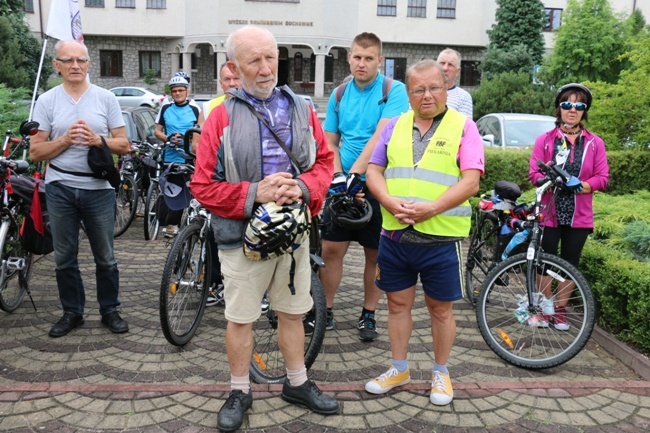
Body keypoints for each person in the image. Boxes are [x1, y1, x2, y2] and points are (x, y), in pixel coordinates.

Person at [190, 25, 339, 432]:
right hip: (242, 239)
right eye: (253, 60)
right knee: (240, 319)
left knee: (293, 313)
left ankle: (297, 383)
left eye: (270, 58)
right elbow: (202, 186)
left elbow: (325, 163)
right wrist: (257, 191)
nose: (264, 68)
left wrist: (304, 186)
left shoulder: (302, 108)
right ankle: (240, 390)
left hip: (292, 234)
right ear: (234, 67)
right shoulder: (220, 115)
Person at [363, 59, 484, 406]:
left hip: (441, 239)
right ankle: (399, 369)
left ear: (446, 89)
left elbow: (471, 181)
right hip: (396, 237)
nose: (427, 95)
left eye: (434, 87)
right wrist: (386, 200)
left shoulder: (464, 127)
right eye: (419, 89)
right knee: (397, 305)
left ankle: (441, 373)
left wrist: (432, 208)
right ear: (409, 93)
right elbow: (374, 170)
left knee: (440, 310)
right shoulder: (395, 125)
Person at [30, 40, 130, 338]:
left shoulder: (105, 98)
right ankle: (72, 312)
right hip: (60, 185)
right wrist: (65, 140)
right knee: (65, 255)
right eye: (68, 60)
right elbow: (35, 152)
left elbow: (124, 144)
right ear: (56, 65)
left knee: (105, 255)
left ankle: (109, 309)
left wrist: (98, 140)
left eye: (81, 60)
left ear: (89, 64)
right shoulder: (47, 101)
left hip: (98, 188)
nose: (75, 66)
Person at [317, 32, 409, 341]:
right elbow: (330, 141)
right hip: (344, 183)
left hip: (378, 183)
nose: (362, 63)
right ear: (349, 58)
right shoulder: (339, 94)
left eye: (369, 58)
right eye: (357, 57)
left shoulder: (393, 91)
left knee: (375, 254)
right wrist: (339, 175)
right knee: (331, 249)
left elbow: (380, 137)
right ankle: (325, 310)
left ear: (379, 61)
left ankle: (368, 313)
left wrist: (357, 175)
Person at [528, 82, 609, 330]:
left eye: (579, 105)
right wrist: (549, 179)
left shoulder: (595, 143)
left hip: (579, 214)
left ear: (585, 111)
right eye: (567, 104)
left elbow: (602, 177)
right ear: (558, 109)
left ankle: (560, 311)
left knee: (569, 262)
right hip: (550, 210)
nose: (572, 110)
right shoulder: (545, 140)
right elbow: (533, 173)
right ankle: (543, 308)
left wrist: (582, 185)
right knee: (545, 260)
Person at [194, 64, 241, 307]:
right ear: (220, 83)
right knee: (213, 232)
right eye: (227, 79)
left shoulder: (252, 104)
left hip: (242, 180)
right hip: (215, 180)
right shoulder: (209, 107)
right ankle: (214, 283)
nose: (232, 83)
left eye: (236, 78)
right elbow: (196, 143)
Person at [154, 75, 200, 237]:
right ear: (171, 93)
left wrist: (186, 138)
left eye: (181, 90)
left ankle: (174, 224)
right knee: (168, 190)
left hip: (187, 156)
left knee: (182, 191)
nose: (178, 93)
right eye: (175, 91)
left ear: (187, 92)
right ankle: (167, 221)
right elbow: (157, 131)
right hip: (169, 156)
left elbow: (200, 133)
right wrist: (167, 138)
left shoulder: (195, 109)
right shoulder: (166, 108)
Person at [437, 48, 473, 118]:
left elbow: (464, 127)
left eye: (450, 65)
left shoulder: (464, 97)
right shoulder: (424, 91)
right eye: (442, 63)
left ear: (457, 71)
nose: (445, 68)